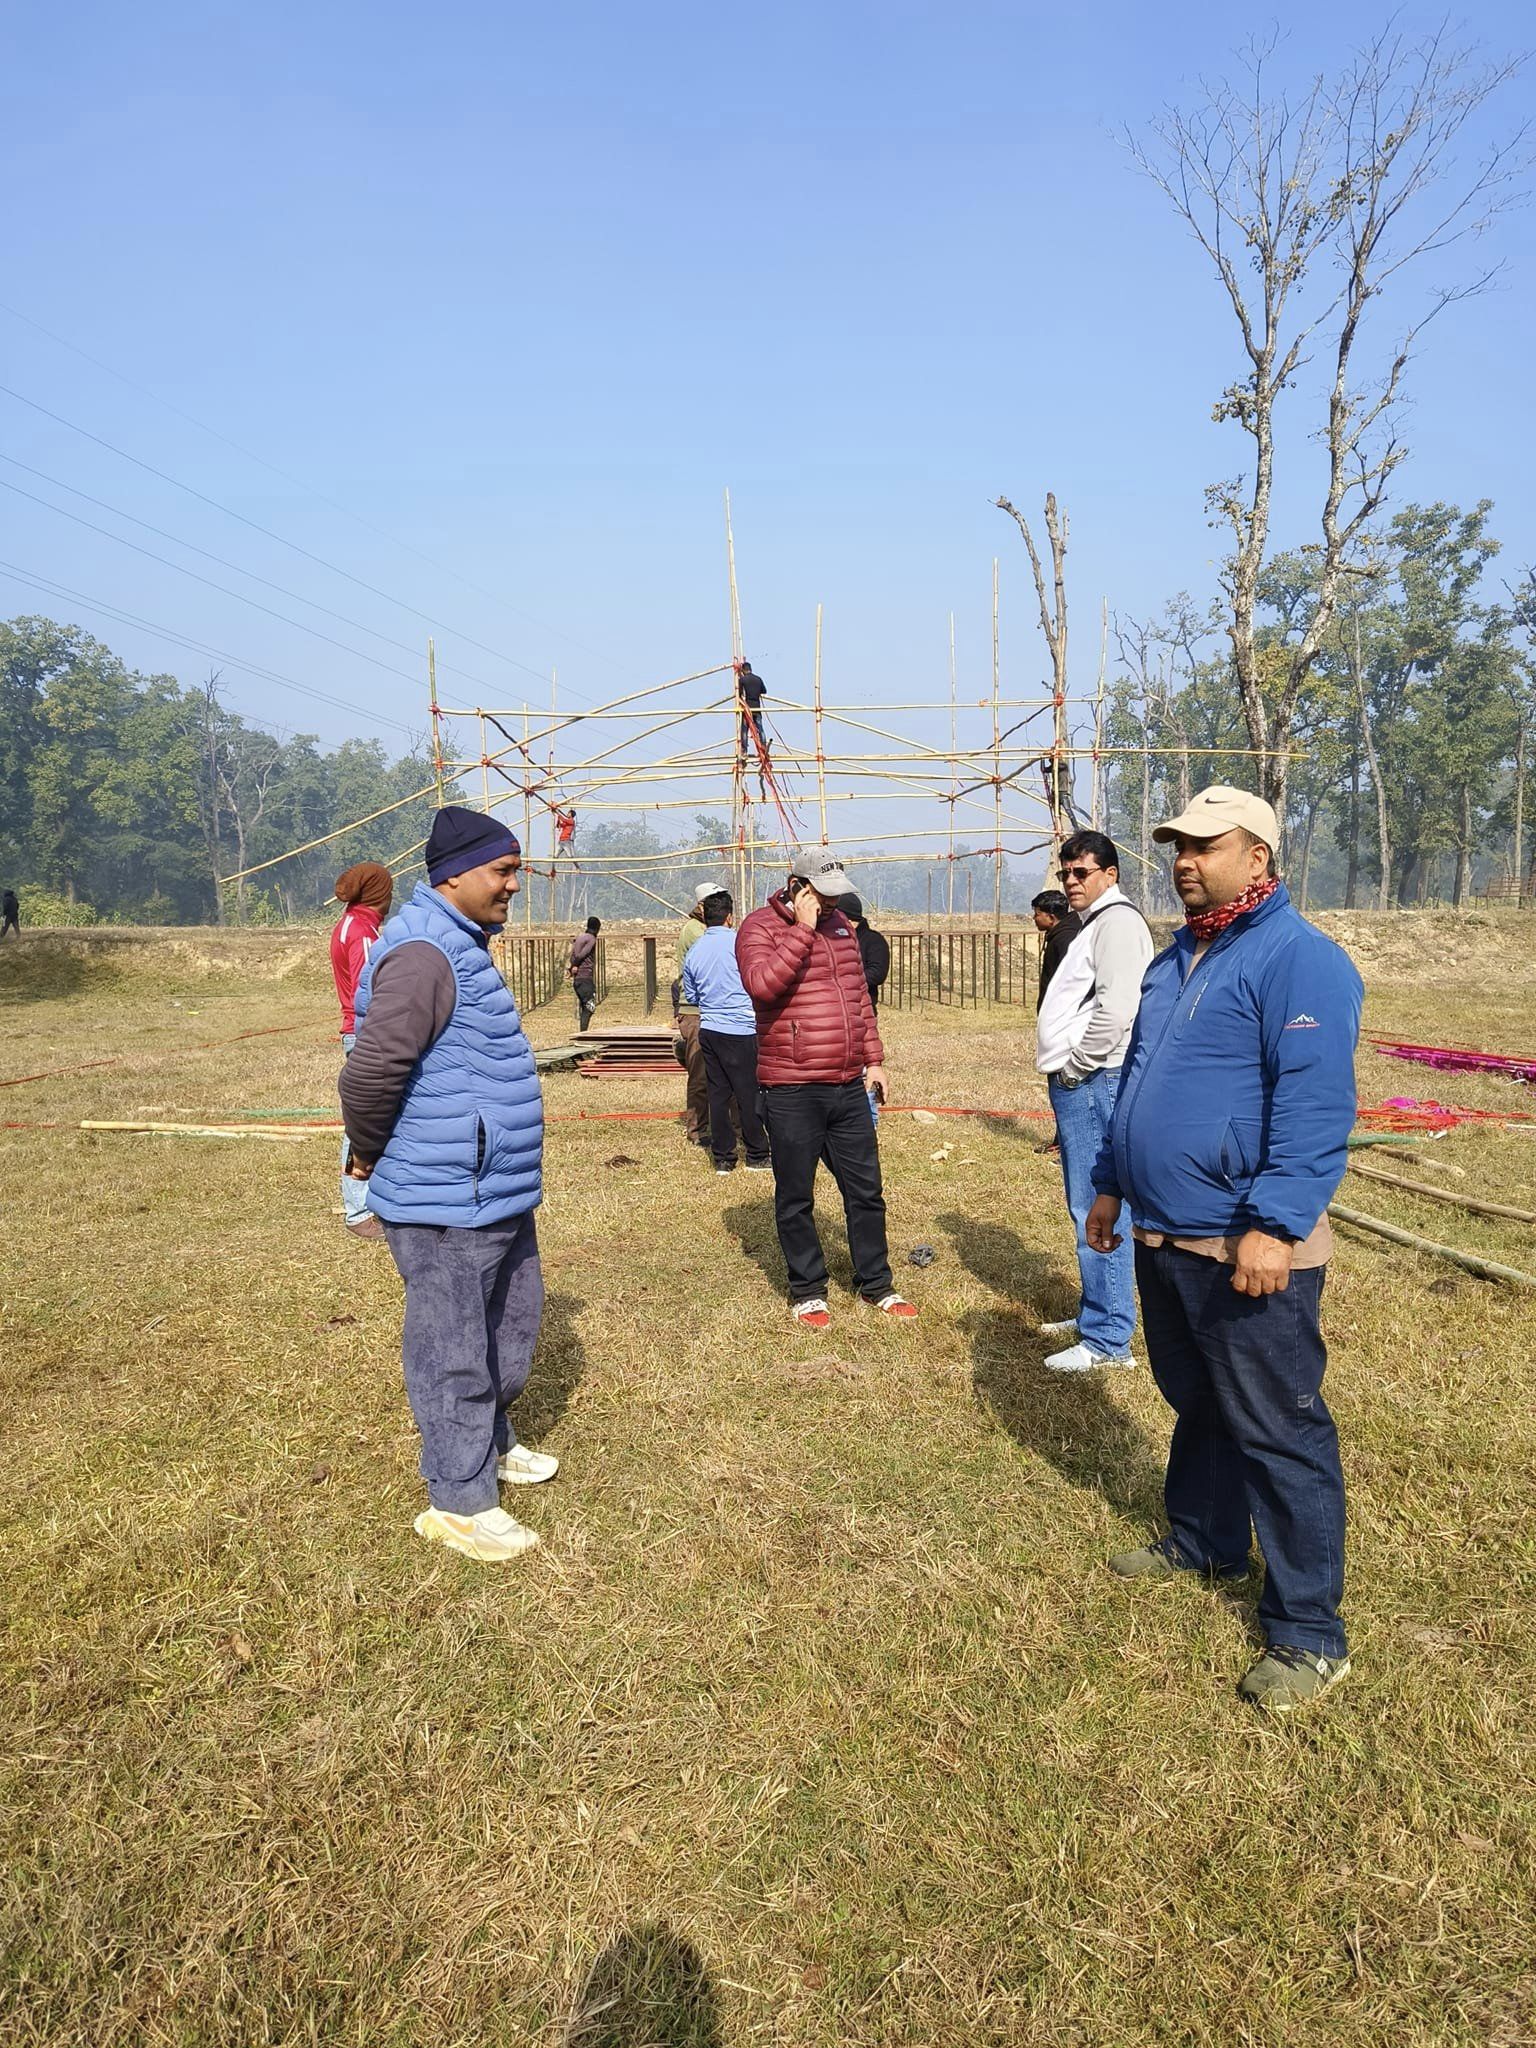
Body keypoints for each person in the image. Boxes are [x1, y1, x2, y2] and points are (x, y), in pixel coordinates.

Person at [1087, 786, 1363, 1711]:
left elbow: (1316, 1104)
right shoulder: (1177, 961)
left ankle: (1309, 1631)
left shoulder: (1300, 960)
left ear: (1260, 854)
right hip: (1163, 1232)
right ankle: (1204, 1536)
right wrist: (1111, 1181)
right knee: (1198, 1400)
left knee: (1279, 1428)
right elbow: (1136, 1079)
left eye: (1207, 844)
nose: (1185, 859)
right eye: (1177, 844)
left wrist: (1277, 1223)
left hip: (1245, 1241)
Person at [339, 806, 553, 1565]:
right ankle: (458, 1501)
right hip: (444, 1197)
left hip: (491, 1189)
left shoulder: (463, 946)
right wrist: (366, 1155)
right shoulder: (426, 954)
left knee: (510, 1328)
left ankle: (487, 1443)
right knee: (453, 1346)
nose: (512, 886)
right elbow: (371, 1070)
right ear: (454, 873)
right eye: (502, 871)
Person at [736, 846, 916, 1330]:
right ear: (797, 887)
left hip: (847, 1085)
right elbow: (762, 987)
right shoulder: (759, 928)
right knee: (796, 1194)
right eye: (824, 896)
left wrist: (873, 1060)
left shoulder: (842, 929)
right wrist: (802, 929)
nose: (834, 906)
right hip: (791, 1087)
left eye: (839, 896)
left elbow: (858, 998)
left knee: (866, 1190)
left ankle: (875, 1282)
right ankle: (808, 1289)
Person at [1034, 830, 1153, 1373]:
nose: (1071, 882)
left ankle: (1108, 1337)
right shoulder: (1097, 924)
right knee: (1089, 1203)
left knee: (1096, 1206)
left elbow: (1118, 1005)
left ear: (1110, 873)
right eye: (1065, 874)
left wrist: (1079, 1065)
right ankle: (1097, 1313)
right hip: (1086, 1077)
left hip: (1095, 1077)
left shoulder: (1120, 923)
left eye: (1081, 872)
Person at [680, 889, 771, 1175]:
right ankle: (756, 1154)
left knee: (718, 1095)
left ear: (705, 918)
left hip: (710, 1029)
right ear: (730, 917)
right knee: (748, 1093)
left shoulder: (695, 950)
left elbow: (691, 996)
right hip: (742, 1029)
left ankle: (723, 1159)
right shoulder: (741, 944)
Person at [330, 862, 394, 1240]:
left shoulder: (348, 924)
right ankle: (359, 1210)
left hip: (357, 1033)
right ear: (377, 894)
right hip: (366, 1033)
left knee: (372, 1120)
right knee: (363, 1123)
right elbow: (367, 991)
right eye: (388, 891)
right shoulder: (365, 933)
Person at [673, 875, 728, 1148]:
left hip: (711, 1009)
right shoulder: (696, 931)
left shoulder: (703, 929)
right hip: (696, 1011)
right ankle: (697, 1130)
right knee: (700, 1074)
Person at [838, 893, 891, 1013]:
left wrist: (846, 980)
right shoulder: (834, 938)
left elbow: (877, 973)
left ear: (848, 919)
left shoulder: (874, 940)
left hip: (863, 1007)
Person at [1031, 888, 1080, 1006]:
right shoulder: (1058, 935)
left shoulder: (1065, 940)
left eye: (1037, 914)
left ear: (1051, 918)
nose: (1034, 918)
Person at [568, 915, 601, 1032]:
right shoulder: (591, 939)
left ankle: (583, 1032)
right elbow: (581, 954)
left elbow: (573, 955)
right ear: (597, 928)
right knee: (590, 1007)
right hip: (585, 978)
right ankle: (583, 1034)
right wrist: (575, 964)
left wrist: (572, 966)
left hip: (578, 980)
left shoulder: (580, 937)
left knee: (585, 1006)